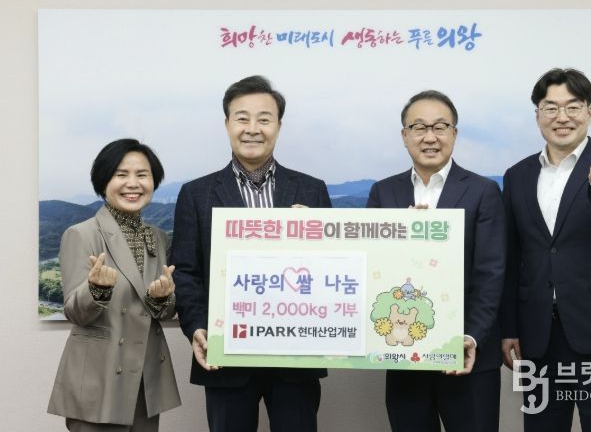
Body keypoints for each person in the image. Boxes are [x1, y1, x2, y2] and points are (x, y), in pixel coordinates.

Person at [170, 75, 331, 432]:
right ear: (227, 123)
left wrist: (318, 238)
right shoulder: (196, 194)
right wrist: (197, 327)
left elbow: (333, 270)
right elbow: (185, 271)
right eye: (242, 118)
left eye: (264, 119)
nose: (253, 129)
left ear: (279, 126)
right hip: (226, 355)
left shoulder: (311, 190)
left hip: (296, 356)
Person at [500, 68, 591, 432]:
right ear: (537, 114)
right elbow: (513, 256)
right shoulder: (517, 175)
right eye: (551, 108)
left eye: (573, 107)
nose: (562, 117)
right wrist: (509, 327)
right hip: (538, 333)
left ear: (589, 112)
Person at [367, 90, 506, 432]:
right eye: (419, 127)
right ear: (405, 135)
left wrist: (471, 336)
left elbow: (491, 274)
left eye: (440, 127)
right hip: (406, 356)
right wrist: (403, 239)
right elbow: (371, 268)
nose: (430, 137)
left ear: (454, 134)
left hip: (467, 355)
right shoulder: (383, 192)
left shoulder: (483, 191)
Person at [48, 139, 180, 431]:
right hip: (100, 380)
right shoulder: (81, 234)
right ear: (104, 181)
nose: (133, 183)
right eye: (121, 174)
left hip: (145, 379)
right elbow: (75, 312)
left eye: (142, 175)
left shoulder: (158, 237)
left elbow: (164, 311)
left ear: (153, 182)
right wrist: (96, 289)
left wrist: (162, 298)